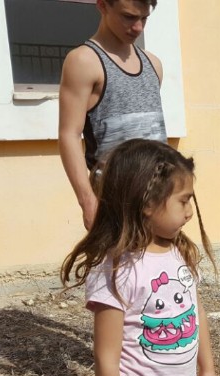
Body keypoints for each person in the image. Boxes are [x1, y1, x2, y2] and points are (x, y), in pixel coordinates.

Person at [60, 139, 218, 376]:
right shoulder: (116, 272)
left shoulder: (177, 251)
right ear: (146, 204)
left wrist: (206, 369)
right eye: (183, 200)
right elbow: (105, 360)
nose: (190, 211)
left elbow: (196, 311)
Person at [59, 0, 167, 230]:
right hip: (116, 205)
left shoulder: (153, 64)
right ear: (102, 6)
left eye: (144, 18)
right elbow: (69, 134)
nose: (138, 27)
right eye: (128, 17)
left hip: (160, 201)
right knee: (120, 267)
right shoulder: (84, 62)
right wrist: (88, 202)